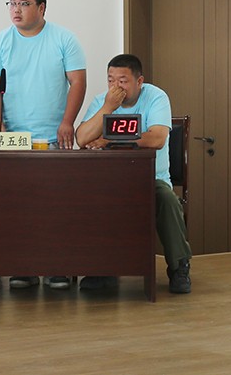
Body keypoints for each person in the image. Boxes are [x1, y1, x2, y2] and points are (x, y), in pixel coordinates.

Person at [0, 0, 87, 290]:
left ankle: (56, 267)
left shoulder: (64, 39)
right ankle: (23, 266)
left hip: (54, 137)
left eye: (24, 4)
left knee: (55, 205)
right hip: (14, 139)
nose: (16, 9)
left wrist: (68, 121)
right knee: (16, 206)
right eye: (12, 3)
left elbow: (78, 82)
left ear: (41, 8)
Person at [75, 54, 192, 294]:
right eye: (111, 80)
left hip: (150, 180)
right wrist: (108, 108)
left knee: (167, 199)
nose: (116, 87)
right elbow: (82, 139)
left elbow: (157, 138)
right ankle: (103, 269)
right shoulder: (102, 101)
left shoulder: (156, 97)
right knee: (87, 199)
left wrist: (107, 140)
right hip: (109, 182)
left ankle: (179, 266)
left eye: (123, 81)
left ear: (139, 81)